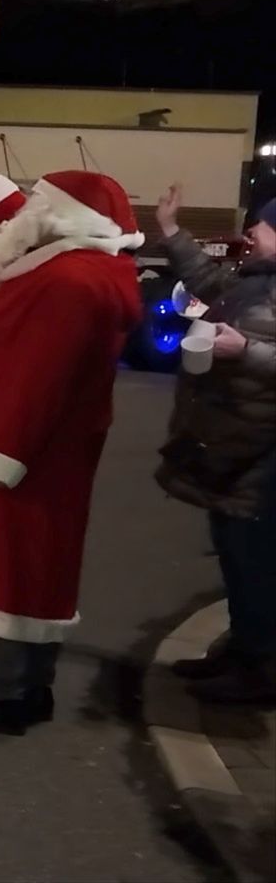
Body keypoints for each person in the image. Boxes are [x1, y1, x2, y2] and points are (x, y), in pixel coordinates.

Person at [0, 135, 145, 733]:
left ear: (61, 218)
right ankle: (27, 687)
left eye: (39, 203)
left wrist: (3, 452)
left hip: (19, 452)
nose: (27, 212)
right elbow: (17, 225)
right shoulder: (84, 262)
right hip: (43, 453)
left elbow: (39, 380)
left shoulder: (69, 283)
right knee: (36, 569)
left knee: (4, 571)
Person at [154, 188, 276, 705]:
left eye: (262, 225)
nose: (251, 232)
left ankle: (261, 671)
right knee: (234, 555)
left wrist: (245, 350)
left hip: (262, 453)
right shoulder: (256, 280)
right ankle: (241, 652)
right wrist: (170, 230)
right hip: (229, 446)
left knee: (256, 563)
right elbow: (208, 282)